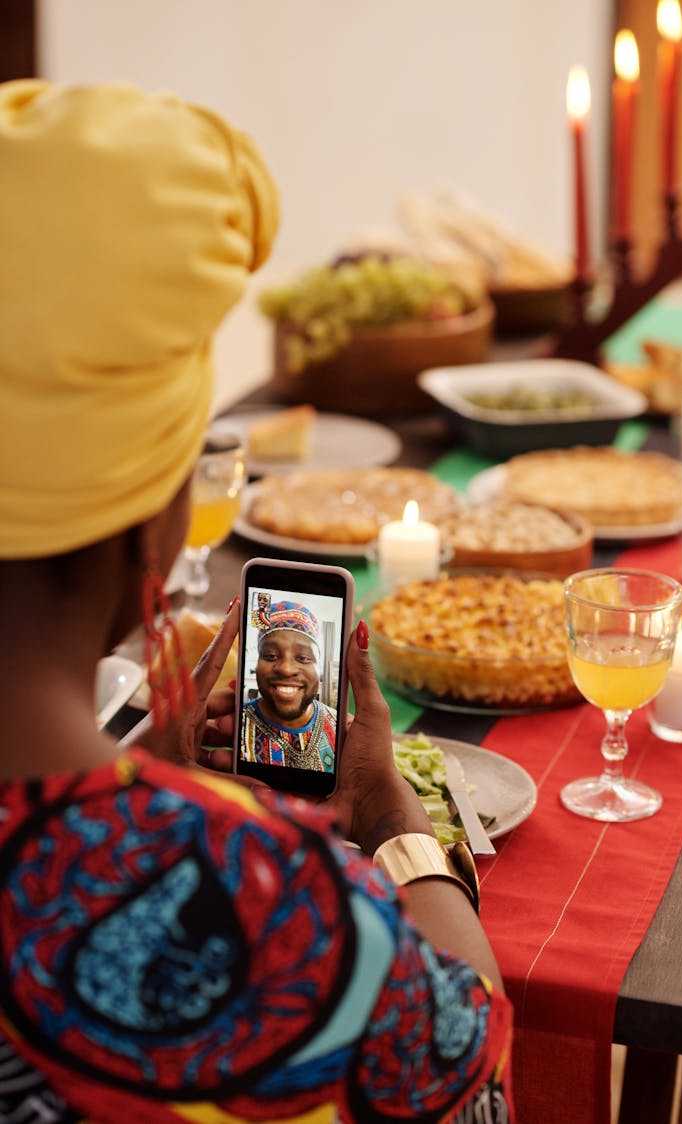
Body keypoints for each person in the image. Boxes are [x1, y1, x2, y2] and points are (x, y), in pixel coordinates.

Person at [0, 79, 513, 1123]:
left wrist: (147, 778)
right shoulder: (260, 899)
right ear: (152, 514)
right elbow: (472, 1084)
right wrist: (390, 816)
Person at [240, 600, 337, 771]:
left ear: (318, 668)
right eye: (270, 655)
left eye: (303, 658)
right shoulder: (236, 725)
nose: (286, 669)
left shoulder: (340, 727)